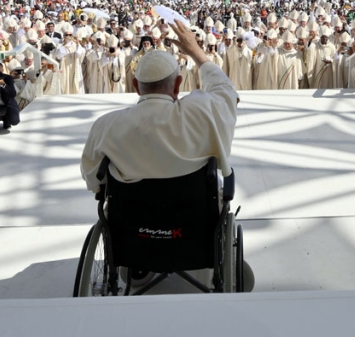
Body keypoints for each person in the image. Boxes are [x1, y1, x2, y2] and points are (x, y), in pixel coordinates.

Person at [79, 20, 251, 290]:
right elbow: (226, 91)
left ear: (136, 86)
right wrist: (196, 52)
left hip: (133, 232)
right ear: (178, 84)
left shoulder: (107, 125)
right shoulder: (203, 111)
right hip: (195, 230)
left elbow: (93, 179)